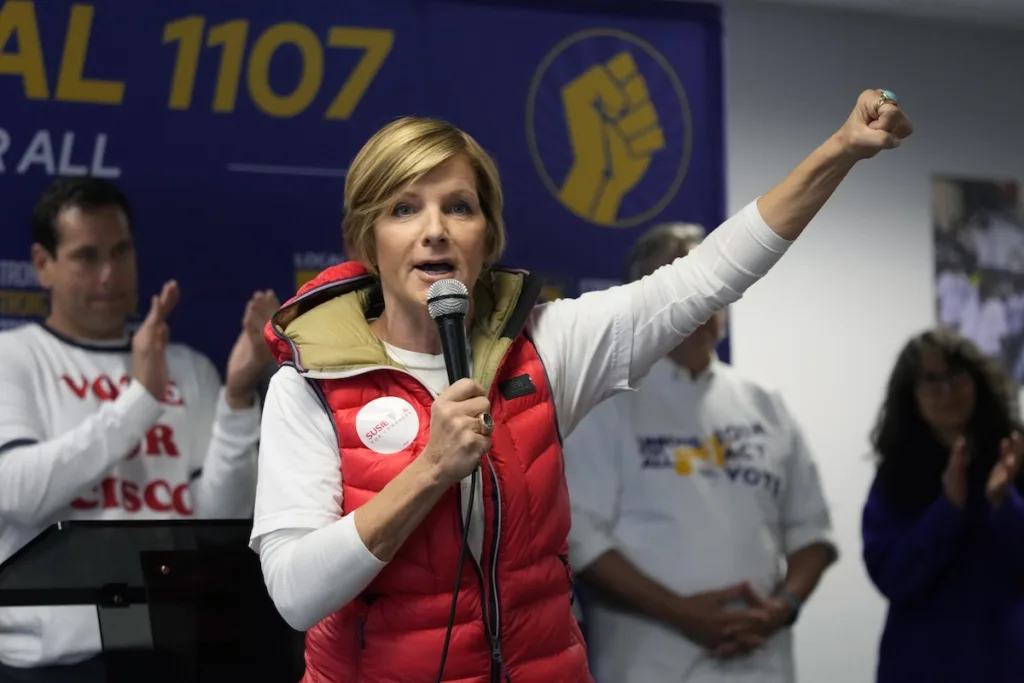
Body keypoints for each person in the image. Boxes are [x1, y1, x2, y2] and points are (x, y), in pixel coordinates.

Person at [251, 89, 913, 683]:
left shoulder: (543, 348)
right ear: (367, 236)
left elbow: (708, 275)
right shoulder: (310, 382)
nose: (435, 231)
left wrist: (840, 150)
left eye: (459, 207)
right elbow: (296, 594)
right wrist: (429, 470)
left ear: (487, 236)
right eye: (404, 208)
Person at [0, 177, 278, 681]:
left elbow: (220, 520)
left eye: (121, 251)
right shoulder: (13, 358)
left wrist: (237, 399)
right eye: (86, 257)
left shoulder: (189, 368)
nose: (109, 274)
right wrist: (141, 400)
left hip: (171, 648)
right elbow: (16, 491)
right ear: (43, 265)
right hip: (50, 664)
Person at [562, 223, 836, 683]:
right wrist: (683, 614)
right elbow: (582, 540)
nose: (707, 302)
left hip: (762, 661)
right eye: (689, 284)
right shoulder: (606, 402)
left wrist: (781, 608)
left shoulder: (763, 401)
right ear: (645, 299)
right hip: (650, 665)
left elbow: (812, 533)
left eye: (717, 285)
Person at [862, 328, 1024, 683]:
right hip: (920, 664)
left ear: (977, 381)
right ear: (912, 396)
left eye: (955, 375)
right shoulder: (896, 476)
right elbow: (891, 575)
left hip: (1005, 661)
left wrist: (1003, 503)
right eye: (931, 381)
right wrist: (947, 510)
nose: (947, 391)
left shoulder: (1014, 458)